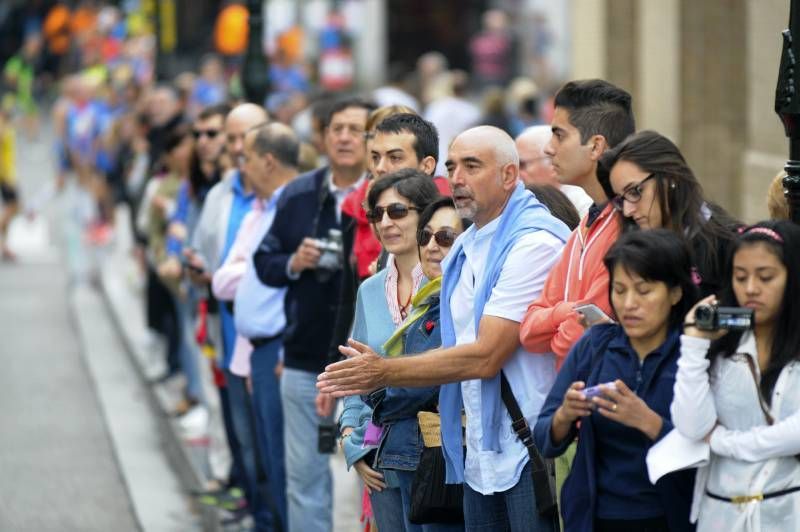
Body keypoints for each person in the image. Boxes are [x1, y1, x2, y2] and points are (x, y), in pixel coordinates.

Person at [318, 126, 571, 531]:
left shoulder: (532, 243)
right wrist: (359, 426)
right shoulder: (468, 247)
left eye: (472, 166)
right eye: (453, 166)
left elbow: (487, 355)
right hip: (475, 452)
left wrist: (384, 371)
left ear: (509, 176)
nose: (457, 178)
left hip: (526, 448)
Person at [253, 97, 374, 532]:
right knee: (305, 476)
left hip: (366, 366)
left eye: (355, 129)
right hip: (305, 360)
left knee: (367, 479)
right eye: (335, 128)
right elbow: (264, 262)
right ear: (322, 136)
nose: (343, 137)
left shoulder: (385, 198)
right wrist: (293, 262)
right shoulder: (300, 193)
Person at [534, 229, 697, 532]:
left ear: (675, 292)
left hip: (673, 518)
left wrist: (649, 422)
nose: (629, 303)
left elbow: (713, 449)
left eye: (644, 290)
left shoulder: (694, 353)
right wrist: (565, 416)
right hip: (597, 518)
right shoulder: (595, 345)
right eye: (619, 290)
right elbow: (544, 437)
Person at [672, 220, 800, 531]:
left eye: (766, 277)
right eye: (740, 277)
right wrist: (693, 344)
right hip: (721, 513)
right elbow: (691, 426)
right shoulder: (723, 345)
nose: (751, 288)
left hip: (786, 512)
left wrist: (723, 441)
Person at [338, 170, 440, 530]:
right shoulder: (370, 289)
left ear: (425, 215)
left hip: (435, 456)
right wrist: (353, 440)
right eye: (376, 215)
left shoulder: (450, 283)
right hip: (382, 456)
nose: (385, 223)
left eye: (397, 211)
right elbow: (355, 377)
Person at [211, 123, 301, 531]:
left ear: (267, 161)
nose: (239, 166)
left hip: (281, 350)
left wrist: (287, 350)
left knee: (286, 468)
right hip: (258, 350)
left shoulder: (295, 207)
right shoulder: (262, 209)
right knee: (269, 462)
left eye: (245, 157)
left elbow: (301, 284)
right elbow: (222, 279)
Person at [367, 196, 469, 532]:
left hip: (437, 458)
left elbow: (426, 378)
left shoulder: (459, 303)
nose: (431, 246)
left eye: (445, 238)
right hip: (410, 453)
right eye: (425, 237)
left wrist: (378, 395)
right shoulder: (429, 301)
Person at [520, 79, 636, 368]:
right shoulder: (584, 225)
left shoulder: (629, 226)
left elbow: (576, 344)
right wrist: (565, 313)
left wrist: (555, 317)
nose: (549, 149)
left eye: (559, 135)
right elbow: (528, 332)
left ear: (596, 146)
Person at [599, 130, 738, 299]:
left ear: (670, 177)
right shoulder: (634, 248)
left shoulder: (730, 245)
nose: (628, 210)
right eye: (621, 200)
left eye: (635, 191)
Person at [515, 125, 592, 216]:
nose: (516, 174)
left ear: (552, 162)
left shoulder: (582, 205)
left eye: (522, 165)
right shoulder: (524, 202)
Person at [0, 108, 18, 260]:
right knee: (13, 207)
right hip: (5, 175)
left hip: (8, 173)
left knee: (12, 208)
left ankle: (5, 246)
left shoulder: (6, 124)